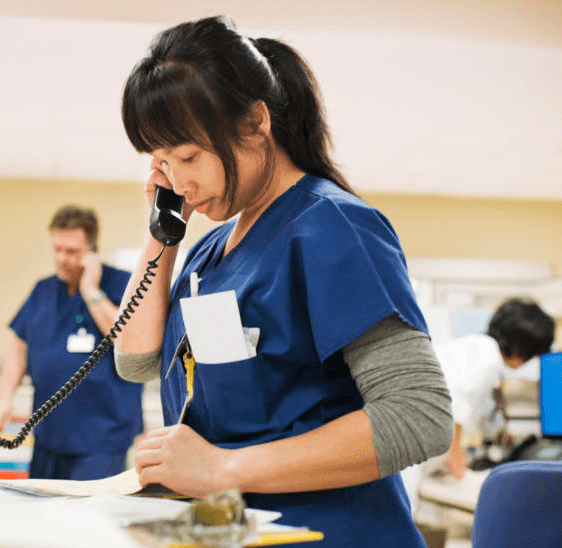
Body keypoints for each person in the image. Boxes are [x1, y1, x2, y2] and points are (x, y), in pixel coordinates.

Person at [113, 16, 453, 547]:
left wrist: (221, 468)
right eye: (160, 162)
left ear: (255, 123)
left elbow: (417, 415)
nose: (178, 181)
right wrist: (163, 233)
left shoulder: (331, 226)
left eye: (189, 156)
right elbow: (134, 360)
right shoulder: (208, 252)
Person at [0, 205, 143, 480]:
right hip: (48, 438)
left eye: (71, 252)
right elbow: (19, 348)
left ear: (93, 251)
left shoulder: (122, 284)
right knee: (42, 518)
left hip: (101, 443)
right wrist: (4, 398)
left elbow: (128, 340)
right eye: (57, 249)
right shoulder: (43, 290)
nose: (61, 259)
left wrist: (90, 290)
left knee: (86, 520)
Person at [437, 298, 556, 479]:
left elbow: (484, 414)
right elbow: (451, 422)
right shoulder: (485, 357)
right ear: (522, 347)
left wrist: (505, 436)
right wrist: (460, 477)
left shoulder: (479, 350)